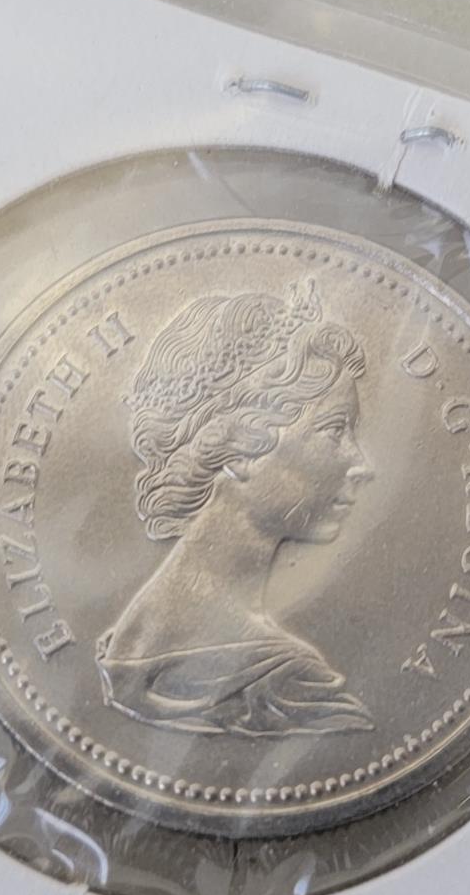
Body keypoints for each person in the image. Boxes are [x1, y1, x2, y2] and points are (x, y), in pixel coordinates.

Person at [96, 280, 376, 736]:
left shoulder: (129, 643)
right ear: (239, 447)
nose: (361, 464)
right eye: (334, 430)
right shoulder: (290, 687)